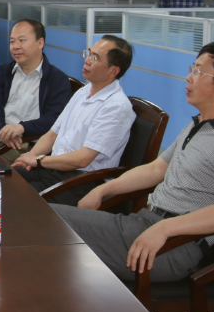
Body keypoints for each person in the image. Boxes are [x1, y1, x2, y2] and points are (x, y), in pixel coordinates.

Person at [51, 42, 214, 282]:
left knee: (49, 227)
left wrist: (165, 228)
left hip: (174, 245)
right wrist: (103, 190)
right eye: (192, 69)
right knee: (46, 219)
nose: (189, 77)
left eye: (198, 71)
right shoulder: (199, 125)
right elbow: (156, 169)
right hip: (146, 224)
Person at [11, 35, 135, 205]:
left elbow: (83, 159)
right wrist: (30, 157)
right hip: (52, 167)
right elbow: (52, 135)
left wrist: (39, 160)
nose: (87, 60)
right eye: (89, 53)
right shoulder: (83, 92)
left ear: (113, 71)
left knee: (16, 200)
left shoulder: (117, 107)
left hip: (80, 181)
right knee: (0, 180)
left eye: (95, 58)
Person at [0, 19, 72, 150]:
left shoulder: (57, 79)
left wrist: (22, 128)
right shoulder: (2, 71)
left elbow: (55, 118)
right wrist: (1, 129)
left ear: (40, 43)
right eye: (12, 41)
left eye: (22, 40)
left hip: (25, 144)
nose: (15, 46)